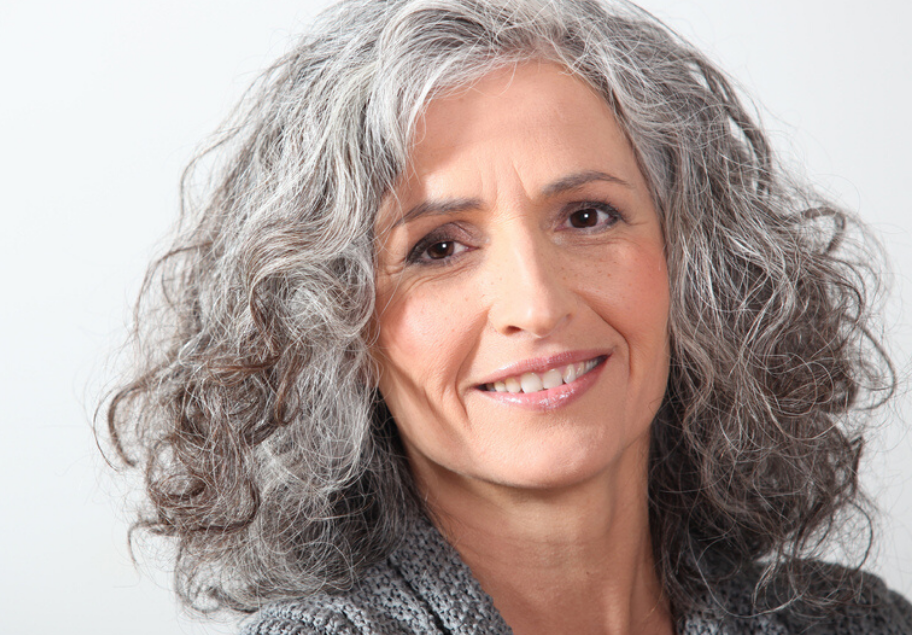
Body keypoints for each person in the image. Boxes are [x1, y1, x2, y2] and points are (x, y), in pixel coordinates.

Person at [104, 0, 910, 632]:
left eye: (588, 216)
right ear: (328, 332)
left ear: (697, 262)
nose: (536, 304)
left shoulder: (853, 620)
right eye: (438, 248)